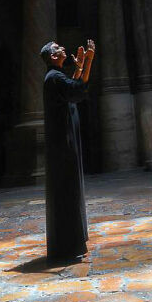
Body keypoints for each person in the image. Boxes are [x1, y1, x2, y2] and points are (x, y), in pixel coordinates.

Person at [40, 37, 96, 262]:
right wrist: (89, 61)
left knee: (69, 191)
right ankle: (67, 246)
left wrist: (80, 66)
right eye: (58, 48)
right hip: (63, 143)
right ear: (53, 56)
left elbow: (70, 91)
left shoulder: (55, 77)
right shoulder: (54, 77)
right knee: (67, 192)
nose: (63, 48)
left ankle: (71, 244)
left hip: (64, 141)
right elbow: (78, 90)